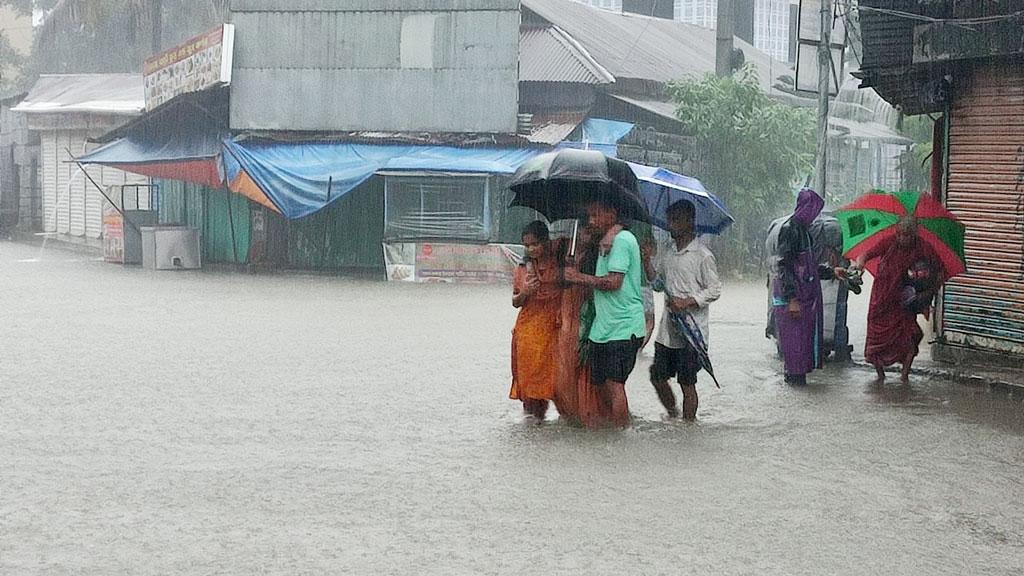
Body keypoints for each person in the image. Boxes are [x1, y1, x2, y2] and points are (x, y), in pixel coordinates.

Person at [564, 199, 647, 428]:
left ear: (612, 213)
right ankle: (612, 431)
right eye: (589, 216)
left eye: (596, 215)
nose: (591, 221)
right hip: (602, 329)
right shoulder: (604, 242)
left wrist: (578, 278)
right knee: (599, 383)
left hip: (623, 326)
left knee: (614, 384)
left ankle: (622, 435)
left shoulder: (622, 240)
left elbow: (614, 282)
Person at [643, 200, 722, 419]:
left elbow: (715, 289)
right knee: (657, 376)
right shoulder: (668, 252)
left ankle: (688, 426)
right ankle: (672, 413)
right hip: (668, 330)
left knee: (687, 382)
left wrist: (688, 301)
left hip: (692, 331)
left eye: (676, 220)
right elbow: (657, 284)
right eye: (669, 220)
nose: (671, 225)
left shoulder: (703, 255)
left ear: (690, 222)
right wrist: (646, 261)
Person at [850, 216, 941, 384]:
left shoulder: (922, 248)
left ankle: (904, 375)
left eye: (906, 235)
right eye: (899, 234)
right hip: (882, 297)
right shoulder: (889, 243)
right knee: (877, 339)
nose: (902, 238)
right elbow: (866, 254)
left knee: (910, 335)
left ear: (914, 234)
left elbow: (938, 269)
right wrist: (859, 265)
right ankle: (880, 376)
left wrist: (927, 291)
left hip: (903, 301)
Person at [771, 188, 846, 385]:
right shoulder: (790, 230)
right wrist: (792, 299)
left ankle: (797, 383)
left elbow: (809, 265)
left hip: (806, 298)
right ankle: (794, 382)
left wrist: (831, 271)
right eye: (813, 209)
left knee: (803, 346)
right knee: (795, 347)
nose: (815, 215)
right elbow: (785, 265)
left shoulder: (805, 232)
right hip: (794, 299)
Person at [510, 221, 563, 420]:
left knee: (552, 382)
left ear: (546, 242)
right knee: (529, 382)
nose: (531, 249)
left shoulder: (560, 263)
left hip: (553, 329)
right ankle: (532, 426)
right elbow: (515, 301)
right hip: (528, 333)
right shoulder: (523, 268)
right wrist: (525, 292)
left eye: (535, 244)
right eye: (527, 245)